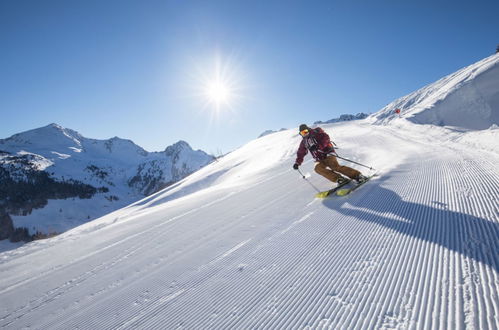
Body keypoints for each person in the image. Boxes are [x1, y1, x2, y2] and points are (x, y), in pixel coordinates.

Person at [293, 124, 367, 185]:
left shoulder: (316, 133)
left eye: (305, 131)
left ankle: (358, 176)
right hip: (319, 159)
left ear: (308, 129)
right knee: (318, 169)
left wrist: (318, 146)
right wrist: (297, 163)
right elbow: (301, 152)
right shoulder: (304, 142)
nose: (304, 134)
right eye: (302, 133)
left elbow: (326, 138)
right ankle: (339, 179)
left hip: (327, 153)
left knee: (335, 167)